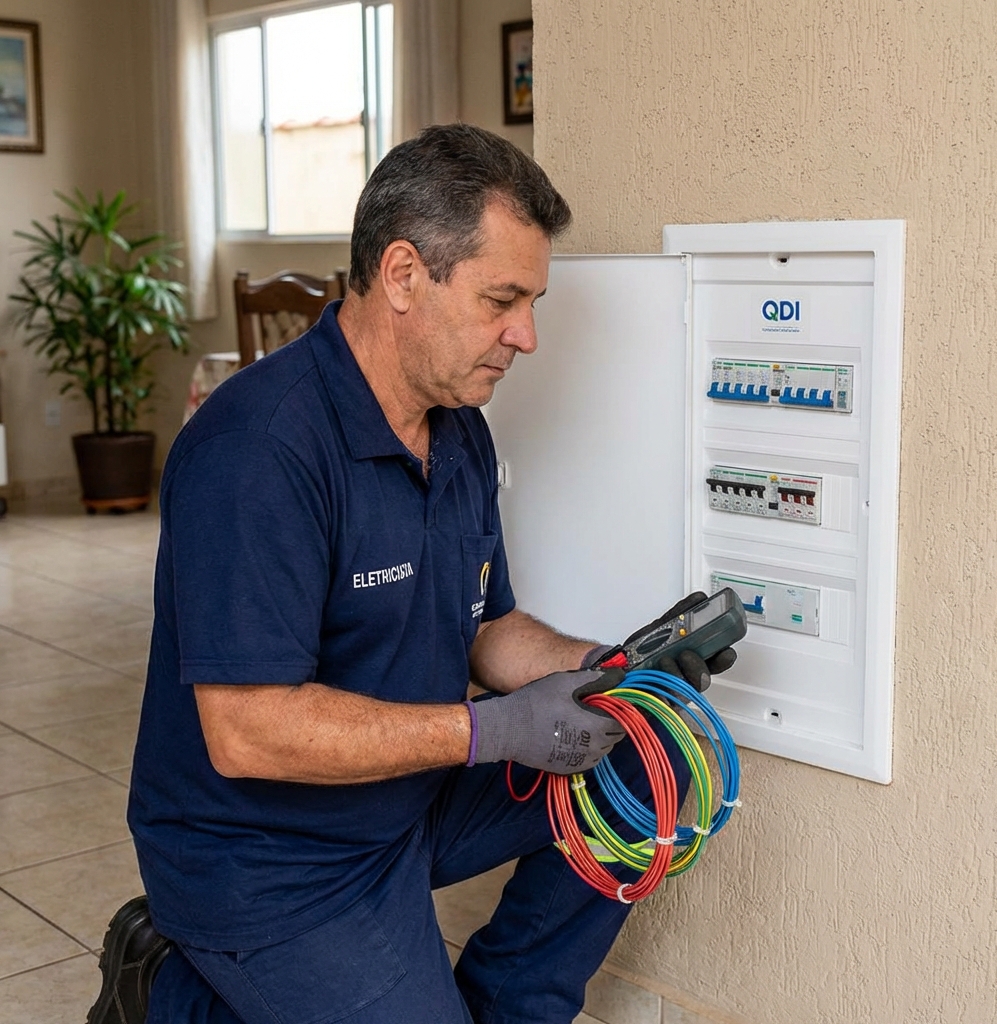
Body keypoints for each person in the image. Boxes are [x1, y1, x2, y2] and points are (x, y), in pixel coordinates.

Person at [91, 124, 736, 1024]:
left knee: (654, 755)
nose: (528, 335)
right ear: (402, 276)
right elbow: (247, 731)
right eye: (502, 299)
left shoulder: (457, 427)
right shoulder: (258, 452)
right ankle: (165, 985)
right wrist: (496, 730)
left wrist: (615, 672)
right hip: (266, 861)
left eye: (533, 301)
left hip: (405, 804)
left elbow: (485, 626)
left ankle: (507, 1006)